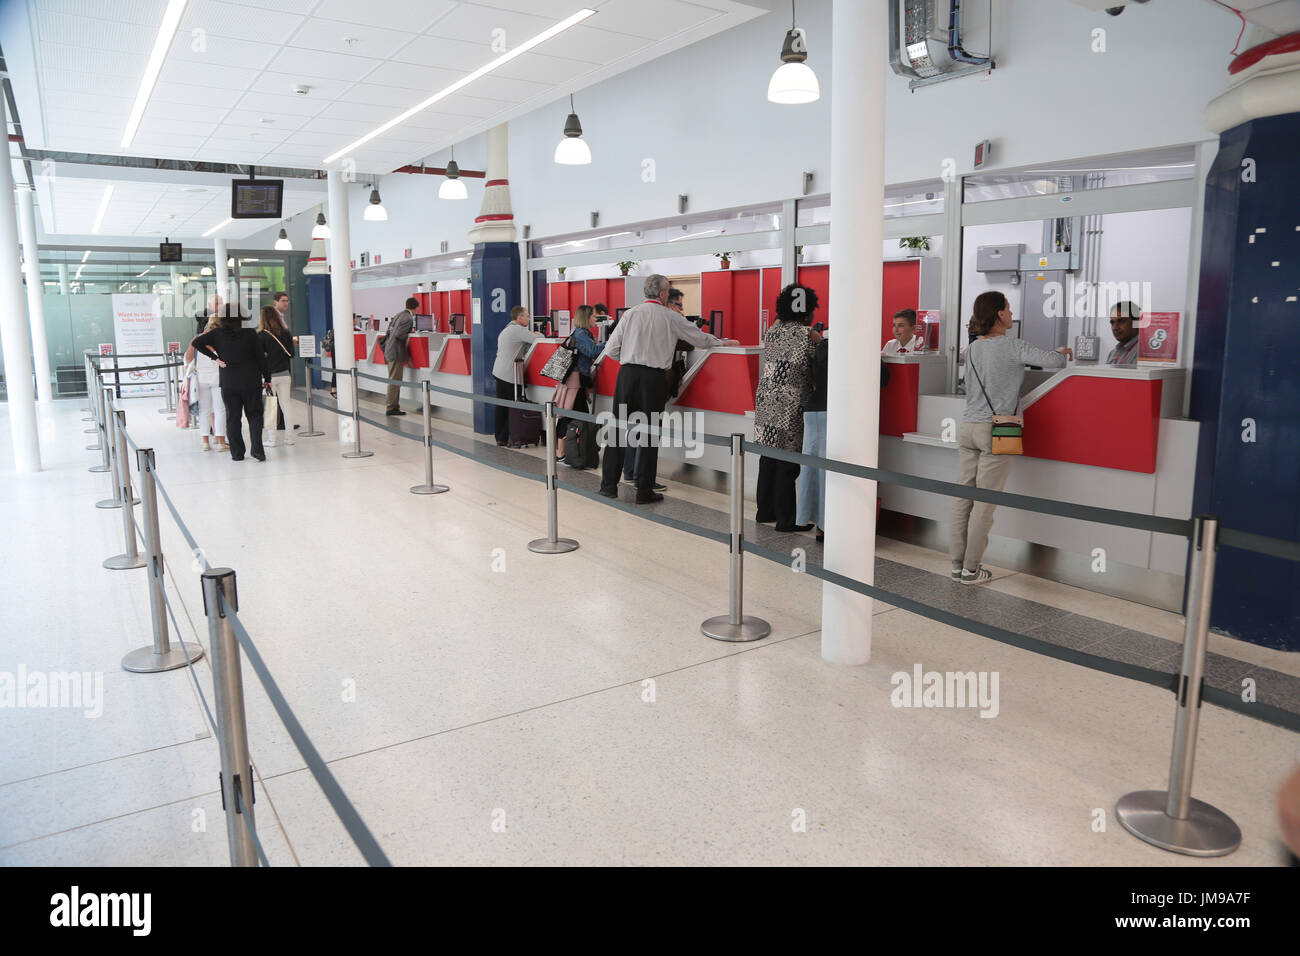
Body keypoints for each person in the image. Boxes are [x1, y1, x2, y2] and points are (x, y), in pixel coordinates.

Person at [950, 291, 1073, 584]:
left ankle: (956, 564)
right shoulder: (1013, 346)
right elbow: (1053, 362)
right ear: (999, 314)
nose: (1011, 312)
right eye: (1007, 308)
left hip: (968, 427)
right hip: (997, 431)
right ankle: (971, 570)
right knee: (984, 504)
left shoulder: (973, 349)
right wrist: (1063, 351)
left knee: (963, 498)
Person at [596, 274, 734, 503]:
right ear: (662, 294)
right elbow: (699, 339)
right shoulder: (670, 317)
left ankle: (608, 486)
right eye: (668, 291)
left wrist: (630, 360)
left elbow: (611, 350)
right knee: (649, 434)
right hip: (653, 379)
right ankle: (643, 490)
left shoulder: (630, 314)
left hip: (627, 375)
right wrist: (723, 342)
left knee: (619, 431)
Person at [754, 283, 821, 532]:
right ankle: (786, 520)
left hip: (766, 401)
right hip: (790, 406)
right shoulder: (808, 334)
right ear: (806, 310)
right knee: (788, 463)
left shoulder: (772, 331)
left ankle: (764, 510)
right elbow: (821, 362)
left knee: (768, 457)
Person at [190, 304, 272, 462]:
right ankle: (257, 450)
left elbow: (197, 343)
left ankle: (237, 453)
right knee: (254, 416)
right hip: (251, 380)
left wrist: (215, 358)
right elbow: (261, 358)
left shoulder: (217, 334)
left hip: (228, 381)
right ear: (241, 316)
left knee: (233, 417)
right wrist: (267, 378)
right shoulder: (250, 334)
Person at [492, 306, 542, 445]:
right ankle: (507, 436)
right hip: (510, 374)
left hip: (499, 371)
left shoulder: (507, 329)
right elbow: (538, 339)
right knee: (514, 406)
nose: (529, 318)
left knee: (501, 406)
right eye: (526, 316)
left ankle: (500, 438)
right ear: (519, 318)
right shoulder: (518, 330)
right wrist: (538, 333)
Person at [796, 332, 829, 540]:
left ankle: (809, 518)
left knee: (810, 469)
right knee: (827, 472)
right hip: (832, 411)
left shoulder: (822, 347)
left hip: (812, 409)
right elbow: (883, 377)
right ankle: (825, 525)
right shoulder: (855, 346)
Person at [184, 314, 228, 453]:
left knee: (204, 410)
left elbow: (188, 358)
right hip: (218, 376)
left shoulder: (198, 338)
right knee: (220, 409)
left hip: (201, 378)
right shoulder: (223, 337)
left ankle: (205, 442)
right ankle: (221, 441)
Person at [258, 305, 297, 447]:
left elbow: (259, 358)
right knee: (286, 405)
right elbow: (292, 354)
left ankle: (272, 440)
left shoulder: (260, 335)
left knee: (270, 406)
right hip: (285, 374)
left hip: (269, 377)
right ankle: (290, 438)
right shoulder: (286, 333)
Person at [384, 297, 417, 415]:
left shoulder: (398, 315)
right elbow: (399, 335)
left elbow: (389, 331)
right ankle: (391, 408)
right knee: (394, 380)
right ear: (416, 308)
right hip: (396, 352)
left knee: (394, 379)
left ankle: (394, 406)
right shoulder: (408, 318)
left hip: (389, 350)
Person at [1106, 300, 1140, 366]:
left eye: (1121, 321)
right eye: (1112, 323)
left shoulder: (1145, 354)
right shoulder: (1113, 353)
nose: (1115, 327)